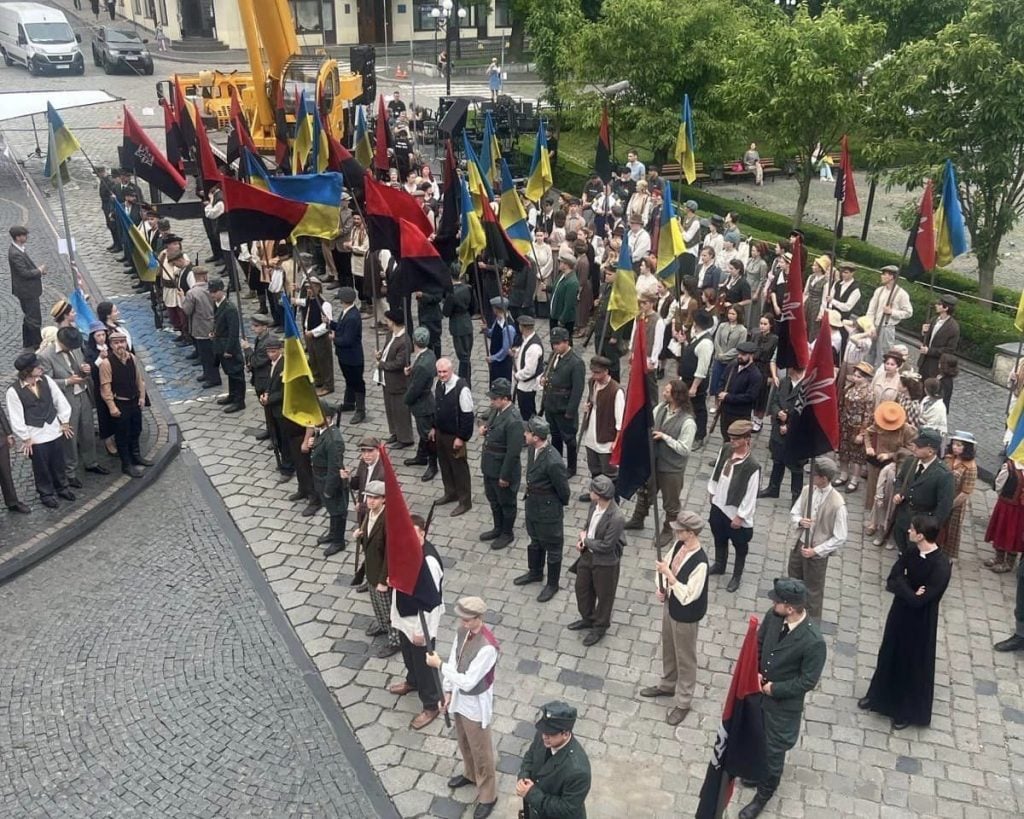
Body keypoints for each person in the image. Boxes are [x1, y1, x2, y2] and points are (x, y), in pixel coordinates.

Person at [738, 579, 827, 819]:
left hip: (782, 706)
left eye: (777, 601)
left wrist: (774, 689)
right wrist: (756, 670)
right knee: (757, 734)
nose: (772, 604)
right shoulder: (774, 616)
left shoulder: (813, 641)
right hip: (759, 693)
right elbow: (759, 643)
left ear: (790, 608)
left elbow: (807, 681)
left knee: (774, 751)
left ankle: (764, 794)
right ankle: (757, 770)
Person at [858, 515, 951, 731]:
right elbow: (892, 579)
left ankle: (906, 710)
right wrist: (910, 589)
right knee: (889, 652)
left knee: (912, 663)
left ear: (921, 535)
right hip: (899, 613)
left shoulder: (941, 566)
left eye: (912, 529)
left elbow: (922, 600)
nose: (909, 531)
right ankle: (878, 696)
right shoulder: (911, 551)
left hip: (920, 622)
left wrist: (905, 585)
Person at [426, 596, 499, 819]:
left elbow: (468, 681)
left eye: (467, 619)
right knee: (464, 741)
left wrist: (439, 666)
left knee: (481, 750)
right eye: (462, 619)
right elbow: (455, 660)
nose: (463, 623)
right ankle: (470, 774)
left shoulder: (488, 647)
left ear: (479, 618)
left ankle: (488, 795)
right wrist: (447, 691)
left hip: (475, 704)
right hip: (459, 698)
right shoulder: (462, 631)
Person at [640, 510, 709, 725]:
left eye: (680, 530)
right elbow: (665, 564)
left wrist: (669, 577)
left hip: (686, 615)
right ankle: (668, 685)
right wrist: (660, 586)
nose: (676, 533)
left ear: (691, 533)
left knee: (685, 658)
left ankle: (684, 702)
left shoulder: (700, 562)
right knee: (669, 648)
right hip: (670, 606)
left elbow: (689, 595)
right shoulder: (679, 545)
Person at [388, 513, 445, 730]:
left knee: (424, 664)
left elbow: (432, 601)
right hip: (404, 613)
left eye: (413, 534)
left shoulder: (429, 561)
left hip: (420, 621)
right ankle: (412, 681)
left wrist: (423, 630)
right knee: (408, 655)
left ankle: (431, 704)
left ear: (423, 534)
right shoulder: (406, 549)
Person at [626, 380, 697, 541]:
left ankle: (668, 530)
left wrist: (665, 437)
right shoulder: (660, 409)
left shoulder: (688, 422)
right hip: (653, 462)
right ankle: (638, 519)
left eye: (667, 391)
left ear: (676, 395)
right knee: (644, 492)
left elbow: (685, 449)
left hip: (672, 468)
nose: (663, 393)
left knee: (671, 502)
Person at [40, 326, 107, 486]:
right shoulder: (46, 356)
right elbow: (46, 382)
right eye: (69, 346)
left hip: (83, 393)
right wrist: (67, 382)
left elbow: (82, 365)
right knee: (70, 437)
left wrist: (86, 368)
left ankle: (91, 462)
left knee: (88, 431)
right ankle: (70, 472)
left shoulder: (75, 348)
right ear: (61, 341)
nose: (72, 349)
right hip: (66, 400)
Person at [5, 352, 74, 507]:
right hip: (36, 436)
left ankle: (62, 487)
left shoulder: (47, 381)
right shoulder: (13, 391)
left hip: (54, 430)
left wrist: (64, 421)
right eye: (37, 367)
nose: (41, 368)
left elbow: (59, 400)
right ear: (27, 371)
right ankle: (46, 493)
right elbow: (16, 417)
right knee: (41, 467)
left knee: (58, 462)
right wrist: (26, 437)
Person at [515, 416, 571, 602]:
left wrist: (553, 506)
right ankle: (535, 572)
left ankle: (552, 584)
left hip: (548, 510)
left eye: (527, 432)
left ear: (536, 437)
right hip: (533, 504)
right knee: (535, 540)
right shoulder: (533, 449)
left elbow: (564, 491)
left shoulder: (553, 461)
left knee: (553, 546)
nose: (524, 434)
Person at [569, 475, 626, 647]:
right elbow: (588, 526)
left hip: (605, 562)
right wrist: (582, 541)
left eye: (592, 490)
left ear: (600, 494)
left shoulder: (616, 517)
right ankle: (588, 618)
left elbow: (607, 546)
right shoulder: (594, 505)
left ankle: (600, 626)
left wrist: (585, 540)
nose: (589, 492)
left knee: (604, 595)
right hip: (588, 555)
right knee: (582, 588)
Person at [788, 458, 847, 621]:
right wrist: (800, 521)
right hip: (799, 545)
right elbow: (794, 512)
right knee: (793, 583)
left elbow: (840, 536)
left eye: (814, 475)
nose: (810, 477)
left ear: (824, 478)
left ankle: (810, 625)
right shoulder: (807, 490)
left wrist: (816, 551)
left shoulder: (837, 504)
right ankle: (791, 617)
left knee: (812, 592)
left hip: (816, 555)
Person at [708, 419, 760, 592]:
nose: (733, 442)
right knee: (719, 536)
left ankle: (737, 575)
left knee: (740, 546)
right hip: (719, 505)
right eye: (731, 438)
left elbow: (751, 494)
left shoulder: (752, 466)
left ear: (747, 439)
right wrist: (712, 490)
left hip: (735, 512)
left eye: (737, 439)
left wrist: (741, 516)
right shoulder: (726, 449)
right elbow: (717, 470)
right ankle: (720, 564)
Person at [516, 702, 591, 818]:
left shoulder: (578, 771)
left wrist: (531, 793)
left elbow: (567, 809)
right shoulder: (544, 737)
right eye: (544, 731)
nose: (544, 736)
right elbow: (530, 756)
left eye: (550, 733)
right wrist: (523, 777)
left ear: (565, 734)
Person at [890, 429, 955, 554]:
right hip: (903, 518)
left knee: (916, 555)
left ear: (930, 451)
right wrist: (898, 492)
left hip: (922, 525)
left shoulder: (944, 475)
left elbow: (944, 507)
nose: (914, 448)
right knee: (902, 548)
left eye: (919, 447)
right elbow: (900, 479)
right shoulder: (910, 461)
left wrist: (929, 529)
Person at [356, 480, 400, 658]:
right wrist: (360, 537)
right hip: (371, 569)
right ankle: (382, 626)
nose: (370, 501)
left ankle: (395, 640)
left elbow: (390, 555)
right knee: (376, 604)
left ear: (384, 499)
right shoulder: (369, 514)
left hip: (382, 574)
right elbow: (369, 542)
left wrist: (383, 580)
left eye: (375, 498)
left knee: (388, 610)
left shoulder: (388, 520)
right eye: (368, 497)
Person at [479, 378, 524, 551]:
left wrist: (505, 476)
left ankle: (507, 532)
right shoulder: (496, 410)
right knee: (493, 499)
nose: (491, 401)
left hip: (502, 468)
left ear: (505, 398)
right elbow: (487, 423)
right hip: (490, 465)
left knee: (506, 502)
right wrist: (484, 428)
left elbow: (513, 452)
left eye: (495, 398)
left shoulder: (513, 420)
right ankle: (498, 527)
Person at [97, 332, 149, 479]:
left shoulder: (132, 358)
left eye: (122, 342)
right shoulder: (106, 363)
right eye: (116, 343)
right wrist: (112, 406)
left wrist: (142, 397)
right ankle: (126, 464)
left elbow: (139, 379)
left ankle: (136, 456)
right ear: (111, 345)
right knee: (122, 435)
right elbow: (105, 388)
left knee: (136, 429)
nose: (120, 345)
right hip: (120, 403)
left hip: (134, 401)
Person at [578, 356, 624, 502]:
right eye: (593, 372)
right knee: (594, 468)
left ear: (606, 371)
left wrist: (616, 441)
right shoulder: (592, 382)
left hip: (606, 436)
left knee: (609, 472)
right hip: (592, 431)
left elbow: (620, 421)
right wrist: (588, 407)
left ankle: (612, 499)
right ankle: (597, 492)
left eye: (597, 373)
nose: (594, 376)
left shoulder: (616, 391)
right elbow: (592, 400)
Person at [433, 357, 475, 516]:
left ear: (451, 370)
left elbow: (467, 416)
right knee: (444, 465)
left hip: (454, 436)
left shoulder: (461, 389)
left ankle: (465, 501)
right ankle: (450, 492)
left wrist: (461, 437)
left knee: (459, 469)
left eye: (444, 372)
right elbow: (437, 407)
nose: (442, 375)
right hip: (441, 433)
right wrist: (434, 427)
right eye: (439, 372)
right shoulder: (439, 384)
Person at [542, 327, 586, 477]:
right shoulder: (554, 355)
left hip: (564, 407)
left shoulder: (576, 362)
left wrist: (570, 411)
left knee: (569, 439)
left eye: (558, 343)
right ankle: (557, 462)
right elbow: (549, 371)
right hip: (551, 404)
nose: (555, 346)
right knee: (555, 436)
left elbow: (577, 390)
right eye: (553, 343)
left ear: (567, 342)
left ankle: (572, 467)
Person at [760, 364, 806, 502]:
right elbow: (774, 401)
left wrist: (789, 426)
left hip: (796, 434)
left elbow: (806, 414)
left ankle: (796, 496)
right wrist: (778, 412)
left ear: (794, 369)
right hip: (778, 429)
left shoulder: (807, 387)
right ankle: (773, 488)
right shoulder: (784, 382)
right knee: (777, 460)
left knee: (796, 466)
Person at [310, 401, 347, 557]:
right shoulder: (322, 432)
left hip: (330, 481)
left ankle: (339, 541)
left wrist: (328, 490)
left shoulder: (334, 440)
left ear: (328, 418)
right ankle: (332, 533)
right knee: (332, 510)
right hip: (321, 478)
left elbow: (334, 468)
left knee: (338, 511)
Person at [402, 327, 438, 482]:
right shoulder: (429, 354)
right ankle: (421, 456)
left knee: (427, 435)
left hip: (423, 405)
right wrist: (412, 371)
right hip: (425, 400)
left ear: (414, 342)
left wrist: (406, 400)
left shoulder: (422, 365)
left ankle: (432, 465)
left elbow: (415, 389)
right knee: (423, 433)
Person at [375, 309, 414, 449]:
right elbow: (387, 351)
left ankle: (405, 437)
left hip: (398, 381)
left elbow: (399, 363)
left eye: (388, 321)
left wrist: (382, 364)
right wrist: (381, 355)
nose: (386, 323)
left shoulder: (404, 341)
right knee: (390, 408)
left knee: (400, 410)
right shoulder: (390, 335)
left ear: (393, 322)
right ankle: (395, 432)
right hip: (388, 380)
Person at [939, 430, 977, 562]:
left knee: (951, 528)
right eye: (954, 444)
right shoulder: (948, 458)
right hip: (941, 496)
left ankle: (947, 555)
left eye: (959, 445)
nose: (955, 447)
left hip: (955, 502)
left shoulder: (970, 467)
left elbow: (966, 492)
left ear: (966, 448)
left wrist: (950, 505)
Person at [679, 310, 715, 447]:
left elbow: (702, 368)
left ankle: (699, 436)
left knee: (698, 408)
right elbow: (692, 353)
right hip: (687, 379)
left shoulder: (706, 343)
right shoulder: (697, 337)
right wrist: (684, 342)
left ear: (696, 323)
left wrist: (694, 386)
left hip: (695, 382)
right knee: (687, 406)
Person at [836, 361, 874, 491]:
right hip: (845, 425)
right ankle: (843, 474)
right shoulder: (849, 388)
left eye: (859, 377)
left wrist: (862, 434)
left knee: (857, 455)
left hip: (858, 428)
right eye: (855, 375)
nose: (855, 378)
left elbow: (868, 415)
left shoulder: (869, 393)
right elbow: (842, 405)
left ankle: (854, 479)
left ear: (866, 378)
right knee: (843, 451)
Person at [209, 279, 246, 412]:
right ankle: (232, 395)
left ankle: (239, 401)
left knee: (236, 373)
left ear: (221, 290)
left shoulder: (230, 308)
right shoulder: (217, 304)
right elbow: (218, 323)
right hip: (220, 344)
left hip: (229, 347)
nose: (212, 295)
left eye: (215, 292)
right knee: (229, 372)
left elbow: (233, 332)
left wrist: (228, 349)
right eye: (211, 292)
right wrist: (214, 332)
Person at [331, 286, 366, 423]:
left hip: (352, 357)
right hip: (344, 356)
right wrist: (330, 324)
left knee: (357, 383)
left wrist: (333, 338)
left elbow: (347, 340)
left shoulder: (352, 317)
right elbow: (341, 327)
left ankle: (360, 410)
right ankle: (349, 403)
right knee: (349, 380)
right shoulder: (346, 312)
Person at [918, 294, 960, 409]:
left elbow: (949, 350)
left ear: (945, 308)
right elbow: (925, 340)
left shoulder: (953, 327)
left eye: (939, 304)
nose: (936, 305)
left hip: (936, 365)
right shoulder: (933, 320)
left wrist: (929, 351)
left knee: (930, 391)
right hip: (924, 362)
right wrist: (923, 332)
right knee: (921, 389)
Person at [294, 277, 334, 396]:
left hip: (320, 337)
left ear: (318, 288)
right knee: (313, 359)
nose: (309, 290)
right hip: (309, 336)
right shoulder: (309, 300)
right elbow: (301, 302)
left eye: (311, 287)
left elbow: (327, 324)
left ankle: (328, 385)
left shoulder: (324, 304)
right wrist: (293, 298)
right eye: (307, 288)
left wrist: (313, 332)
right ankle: (318, 380)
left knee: (324, 361)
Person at [8, 225, 46, 349]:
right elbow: (24, 273)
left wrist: (38, 270)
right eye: (24, 235)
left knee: (29, 317)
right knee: (34, 318)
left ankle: (28, 342)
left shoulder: (19, 249)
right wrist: (39, 271)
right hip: (27, 291)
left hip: (26, 290)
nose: (26, 237)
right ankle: (37, 344)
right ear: (18, 237)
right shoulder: (15, 253)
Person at [866, 266, 913, 366]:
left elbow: (909, 312)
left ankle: (882, 374)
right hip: (874, 326)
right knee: (869, 353)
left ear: (891, 276)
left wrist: (892, 312)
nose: (881, 276)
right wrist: (870, 326)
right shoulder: (879, 290)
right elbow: (871, 310)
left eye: (884, 274)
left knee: (883, 356)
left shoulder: (902, 294)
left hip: (887, 328)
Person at [983, 458, 1024, 574]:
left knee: (1015, 534)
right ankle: (999, 558)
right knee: (1001, 530)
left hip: (1021, 510)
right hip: (1006, 506)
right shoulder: (1010, 467)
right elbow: (999, 485)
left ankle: (1009, 562)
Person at [716, 340, 763, 439]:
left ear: (751, 356)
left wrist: (728, 397)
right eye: (739, 353)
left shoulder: (755, 375)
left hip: (740, 415)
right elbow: (722, 380)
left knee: (737, 439)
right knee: (725, 437)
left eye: (743, 355)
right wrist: (720, 392)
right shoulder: (732, 365)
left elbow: (750, 397)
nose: (739, 356)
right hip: (725, 411)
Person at [442, 271, 475, 384]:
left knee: (463, 357)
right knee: (467, 355)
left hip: (457, 325)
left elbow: (446, 312)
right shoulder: (468, 288)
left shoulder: (452, 293)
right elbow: (473, 307)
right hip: (467, 322)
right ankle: (466, 380)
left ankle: (464, 381)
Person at [512, 314, 544, 422]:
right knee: (525, 410)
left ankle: (531, 428)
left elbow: (529, 371)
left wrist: (517, 376)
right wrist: (517, 352)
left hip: (527, 385)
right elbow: (524, 350)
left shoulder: (534, 347)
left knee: (527, 412)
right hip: (523, 384)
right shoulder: (527, 339)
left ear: (522, 327)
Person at [484, 297, 516, 385]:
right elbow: (492, 333)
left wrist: (493, 358)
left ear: (496, 309)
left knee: (501, 385)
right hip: (495, 362)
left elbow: (505, 350)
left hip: (503, 364)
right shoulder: (498, 320)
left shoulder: (508, 328)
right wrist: (486, 330)